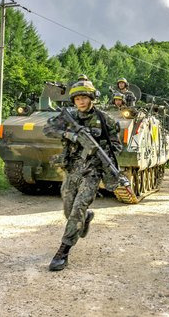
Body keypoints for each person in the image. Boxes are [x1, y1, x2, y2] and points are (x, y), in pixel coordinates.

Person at [44, 80, 123, 271]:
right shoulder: (69, 116)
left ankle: (63, 251)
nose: (80, 102)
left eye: (84, 98)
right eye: (77, 98)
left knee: (78, 207)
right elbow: (48, 129)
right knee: (68, 208)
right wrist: (71, 135)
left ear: (91, 98)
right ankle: (85, 218)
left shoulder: (105, 120)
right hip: (72, 168)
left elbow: (117, 147)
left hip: (92, 170)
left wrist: (97, 147)